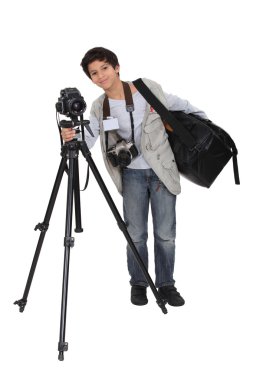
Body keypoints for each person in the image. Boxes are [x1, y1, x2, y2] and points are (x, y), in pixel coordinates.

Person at [62, 47, 207, 307]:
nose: (101, 75)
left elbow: (181, 106)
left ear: (116, 67)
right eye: (94, 73)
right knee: (135, 234)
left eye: (104, 68)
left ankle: (166, 285)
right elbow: (91, 138)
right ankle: (139, 283)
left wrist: (206, 130)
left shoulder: (146, 89)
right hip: (130, 176)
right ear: (91, 79)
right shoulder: (100, 106)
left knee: (165, 234)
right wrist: (73, 136)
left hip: (161, 170)